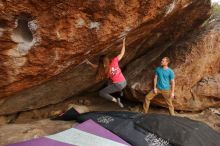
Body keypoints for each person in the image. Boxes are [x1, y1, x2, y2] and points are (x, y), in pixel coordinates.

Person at [86, 38, 127, 108]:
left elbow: (96, 67)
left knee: (101, 93)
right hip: (124, 82)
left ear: (101, 63)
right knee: (109, 82)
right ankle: (120, 92)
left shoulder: (103, 69)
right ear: (107, 60)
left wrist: (89, 63)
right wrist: (123, 42)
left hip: (118, 85)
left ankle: (116, 100)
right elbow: (122, 53)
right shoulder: (114, 61)